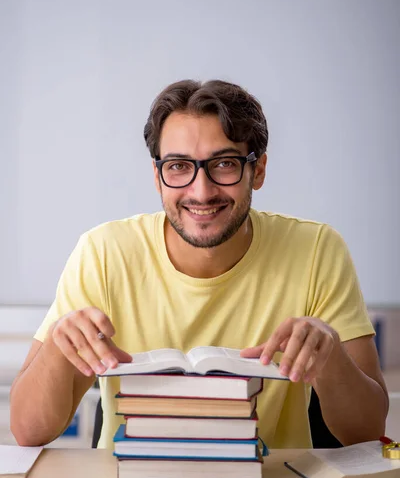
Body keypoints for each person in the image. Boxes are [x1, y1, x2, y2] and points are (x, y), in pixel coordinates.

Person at [10, 79, 388, 449]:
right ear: (158, 177)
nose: (201, 191)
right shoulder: (103, 253)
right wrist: (60, 346)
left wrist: (331, 356)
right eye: (178, 167)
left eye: (224, 164)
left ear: (257, 171)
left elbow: (367, 433)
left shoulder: (317, 250)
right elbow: (28, 431)